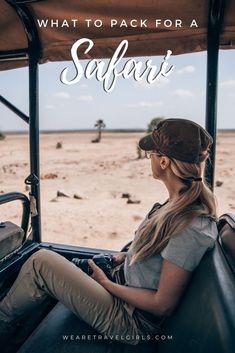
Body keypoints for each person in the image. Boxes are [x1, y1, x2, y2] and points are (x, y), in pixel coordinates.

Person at [0, 118, 218, 347]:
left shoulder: (190, 226)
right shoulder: (176, 206)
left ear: (163, 162)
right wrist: (125, 256)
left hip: (132, 320)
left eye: (150, 154)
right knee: (52, 262)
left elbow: (163, 304)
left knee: (40, 261)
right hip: (122, 283)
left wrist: (106, 283)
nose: (149, 160)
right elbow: (161, 258)